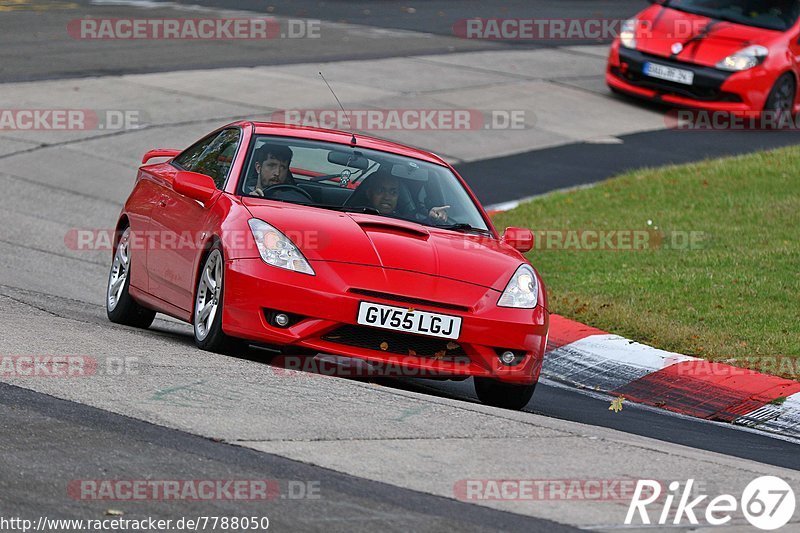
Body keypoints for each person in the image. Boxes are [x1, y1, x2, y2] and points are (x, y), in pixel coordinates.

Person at [363, 172, 449, 223]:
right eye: (380, 191)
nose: (387, 197)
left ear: (398, 196)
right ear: (369, 193)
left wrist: (431, 218)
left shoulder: (405, 221)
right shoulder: (355, 215)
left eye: (393, 192)